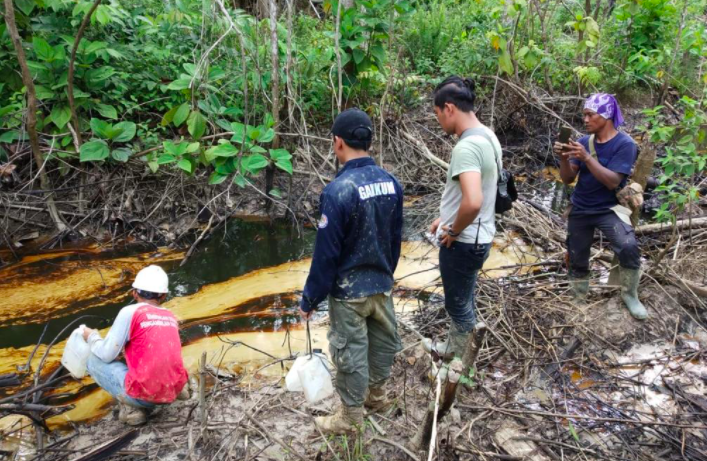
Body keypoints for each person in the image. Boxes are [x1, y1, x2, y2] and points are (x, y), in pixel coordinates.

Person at [299, 108, 404, 435]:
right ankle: (378, 397)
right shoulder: (392, 183)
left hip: (348, 293)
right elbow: (395, 239)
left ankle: (350, 417)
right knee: (383, 344)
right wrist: (386, 274)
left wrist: (309, 299)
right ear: (369, 141)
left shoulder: (337, 191)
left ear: (337, 142)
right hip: (382, 285)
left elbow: (326, 256)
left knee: (350, 352)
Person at [426, 76, 501, 359]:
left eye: (437, 114)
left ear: (449, 108)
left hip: (465, 242)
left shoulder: (466, 148)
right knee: (464, 297)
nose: (438, 121)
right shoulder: (488, 136)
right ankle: (459, 350)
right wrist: (444, 218)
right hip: (482, 236)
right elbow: (479, 193)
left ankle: (458, 361)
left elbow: (472, 201)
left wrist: (453, 231)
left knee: (457, 306)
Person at [554, 93, 647, 319]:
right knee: (577, 255)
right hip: (581, 208)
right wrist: (565, 158)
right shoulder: (585, 141)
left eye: (590, 115)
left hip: (609, 209)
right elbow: (567, 180)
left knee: (627, 246)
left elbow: (613, 181)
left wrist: (587, 159)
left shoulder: (625, 144)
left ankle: (630, 294)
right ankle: (578, 297)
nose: (585, 120)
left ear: (605, 116)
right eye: (584, 115)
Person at [82, 265, 189, 425]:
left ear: (134, 292)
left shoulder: (130, 312)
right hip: (173, 391)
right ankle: (178, 390)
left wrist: (92, 337)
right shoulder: (170, 315)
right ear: (164, 295)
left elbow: (106, 354)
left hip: (146, 397)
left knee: (92, 360)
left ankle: (132, 408)